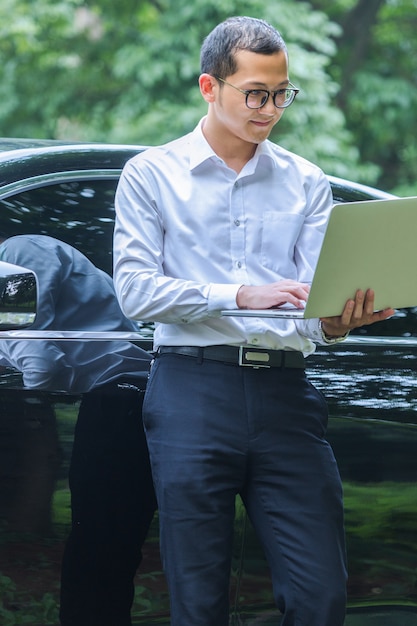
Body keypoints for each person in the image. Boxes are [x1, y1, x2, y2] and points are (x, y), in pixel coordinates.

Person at [113, 16, 394, 626]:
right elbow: (135, 292)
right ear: (209, 88)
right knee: (198, 597)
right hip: (191, 389)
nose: (270, 108)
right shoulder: (150, 175)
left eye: (281, 94)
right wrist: (240, 295)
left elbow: (310, 309)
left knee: (321, 596)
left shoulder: (307, 182)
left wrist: (339, 321)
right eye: (256, 94)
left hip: (287, 396)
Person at [0, 234, 157, 626]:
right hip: (116, 403)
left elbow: (39, 363)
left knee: (96, 563)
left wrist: (31, 424)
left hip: (118, 404)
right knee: (100, 561)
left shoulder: (14, 259)